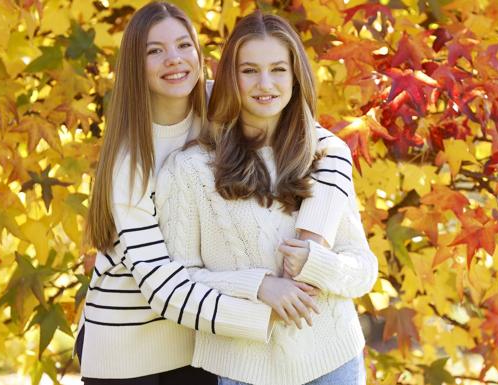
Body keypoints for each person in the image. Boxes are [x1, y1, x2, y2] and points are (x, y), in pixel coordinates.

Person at [77, 2, 355, 384]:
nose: (173, 60)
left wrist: (314, 233)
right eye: (154, 51)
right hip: (132, 342)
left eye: (183, 45)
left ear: (199, 52)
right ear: (134, 66)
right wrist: (264, 304)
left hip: (201, 336)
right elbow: (160, 283)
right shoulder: (131, 162)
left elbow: (327, 147)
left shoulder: (221, 101)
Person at [156, 11, 378, 385]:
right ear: (230, 77)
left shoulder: (324, 157)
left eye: (278, 69)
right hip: (239, 370)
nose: (265, 84)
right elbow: (180, 281)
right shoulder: (190, 170)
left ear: (295, 76)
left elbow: (363, 269)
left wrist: (317, 263)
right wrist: (259, 286)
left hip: (333, 361)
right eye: (249, 70)